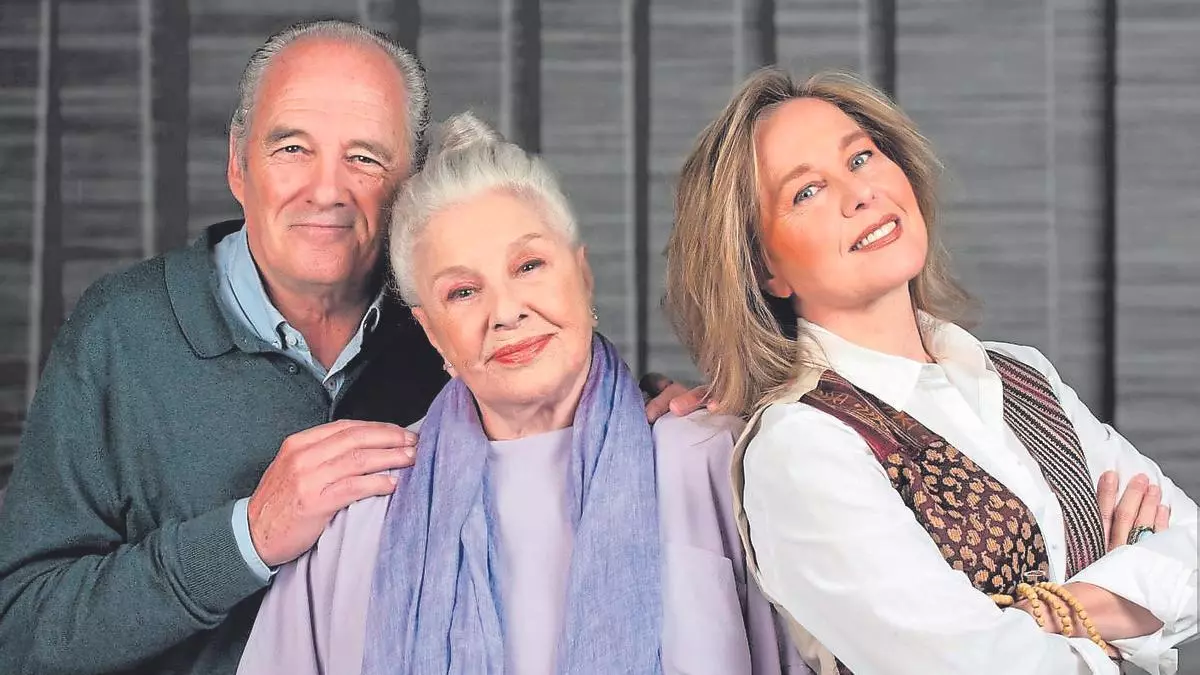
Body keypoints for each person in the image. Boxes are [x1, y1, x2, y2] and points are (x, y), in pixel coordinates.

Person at [0, 19, 685, 675]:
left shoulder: (453, 315)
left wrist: (646, 409)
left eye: (364, 157)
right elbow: (19, 629)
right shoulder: (121, 333)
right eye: (292, 149)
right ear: (238, 163)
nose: (326, 191)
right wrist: (247, 537)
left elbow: (559, 379)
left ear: (410, 181)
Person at [664, 67, 1198, 674]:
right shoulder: (801, 446)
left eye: (861, 158)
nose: (859, 193)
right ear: (764, 269)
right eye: (807, 191)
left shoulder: (1022, 374)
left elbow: (1193, 556)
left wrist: (1045, 615)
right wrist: (1128, 600)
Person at [236, 112, 806, 675]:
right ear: (431, 331)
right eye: (463, 292)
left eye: (529, 265)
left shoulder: (712, 461)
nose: (506, 312)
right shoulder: (362, 504)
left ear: (583, 276)